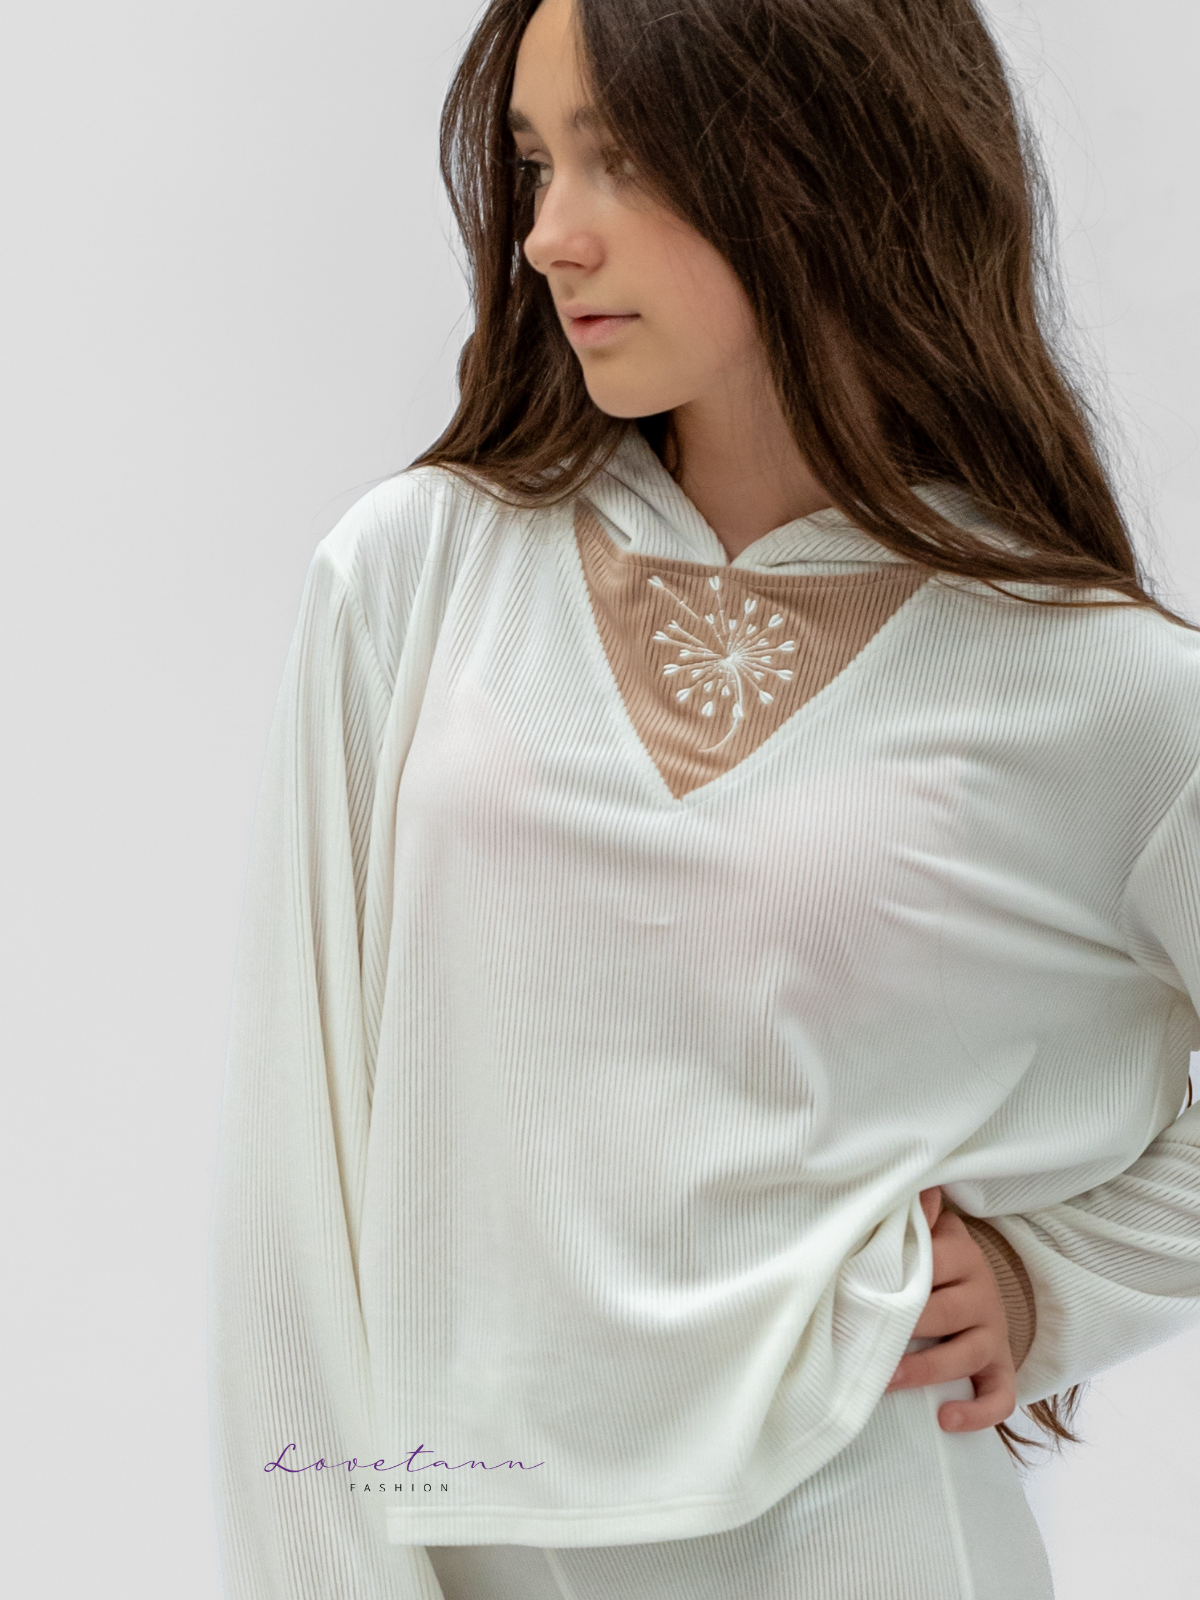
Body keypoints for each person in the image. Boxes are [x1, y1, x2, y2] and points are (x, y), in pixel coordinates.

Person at [206, 1, 1200, 1597]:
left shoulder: (1093, 678)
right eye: (535, 165)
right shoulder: (416, 576)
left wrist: (1055, 1279)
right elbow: (294, 1189)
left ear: (824, 158)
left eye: (618, 158)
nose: (549, 235)